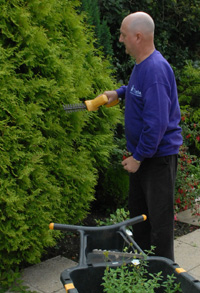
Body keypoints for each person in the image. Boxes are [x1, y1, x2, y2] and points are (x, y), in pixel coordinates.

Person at [102, 12, 183, 261]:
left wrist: (138, 157)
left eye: (123, 35)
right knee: (141, 221)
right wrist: (120, 92)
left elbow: (157, 124)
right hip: (146, 158)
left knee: (158, 228)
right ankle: (144, 275)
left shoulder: (155, 70)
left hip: (157, 160)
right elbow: (138, 91)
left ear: (138, 37)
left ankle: (163, 281)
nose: (120, 39)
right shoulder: (142, 65)